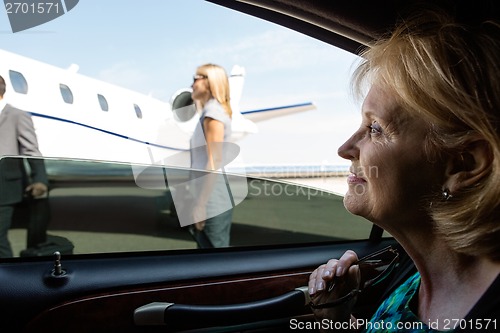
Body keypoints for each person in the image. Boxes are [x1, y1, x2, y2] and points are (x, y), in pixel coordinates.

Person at [308, 8, 500, 332]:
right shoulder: (408, 275)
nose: (344, 149)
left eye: (376, 128)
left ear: (463, 164)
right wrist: (338, 318)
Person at [0, 74, 48, 258]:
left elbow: (31, 149)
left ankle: (8, 279)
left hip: (5, 187)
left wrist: (40, 180)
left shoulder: (17, 116)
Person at [188, 64, 233, 248]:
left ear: (209, 82)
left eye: (195, 78)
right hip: (210, 196)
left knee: (216, 262)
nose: (191, 85)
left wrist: (200, 205)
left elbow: (214, 162)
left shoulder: (213, 113)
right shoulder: (210, 112)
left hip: (212, 199)